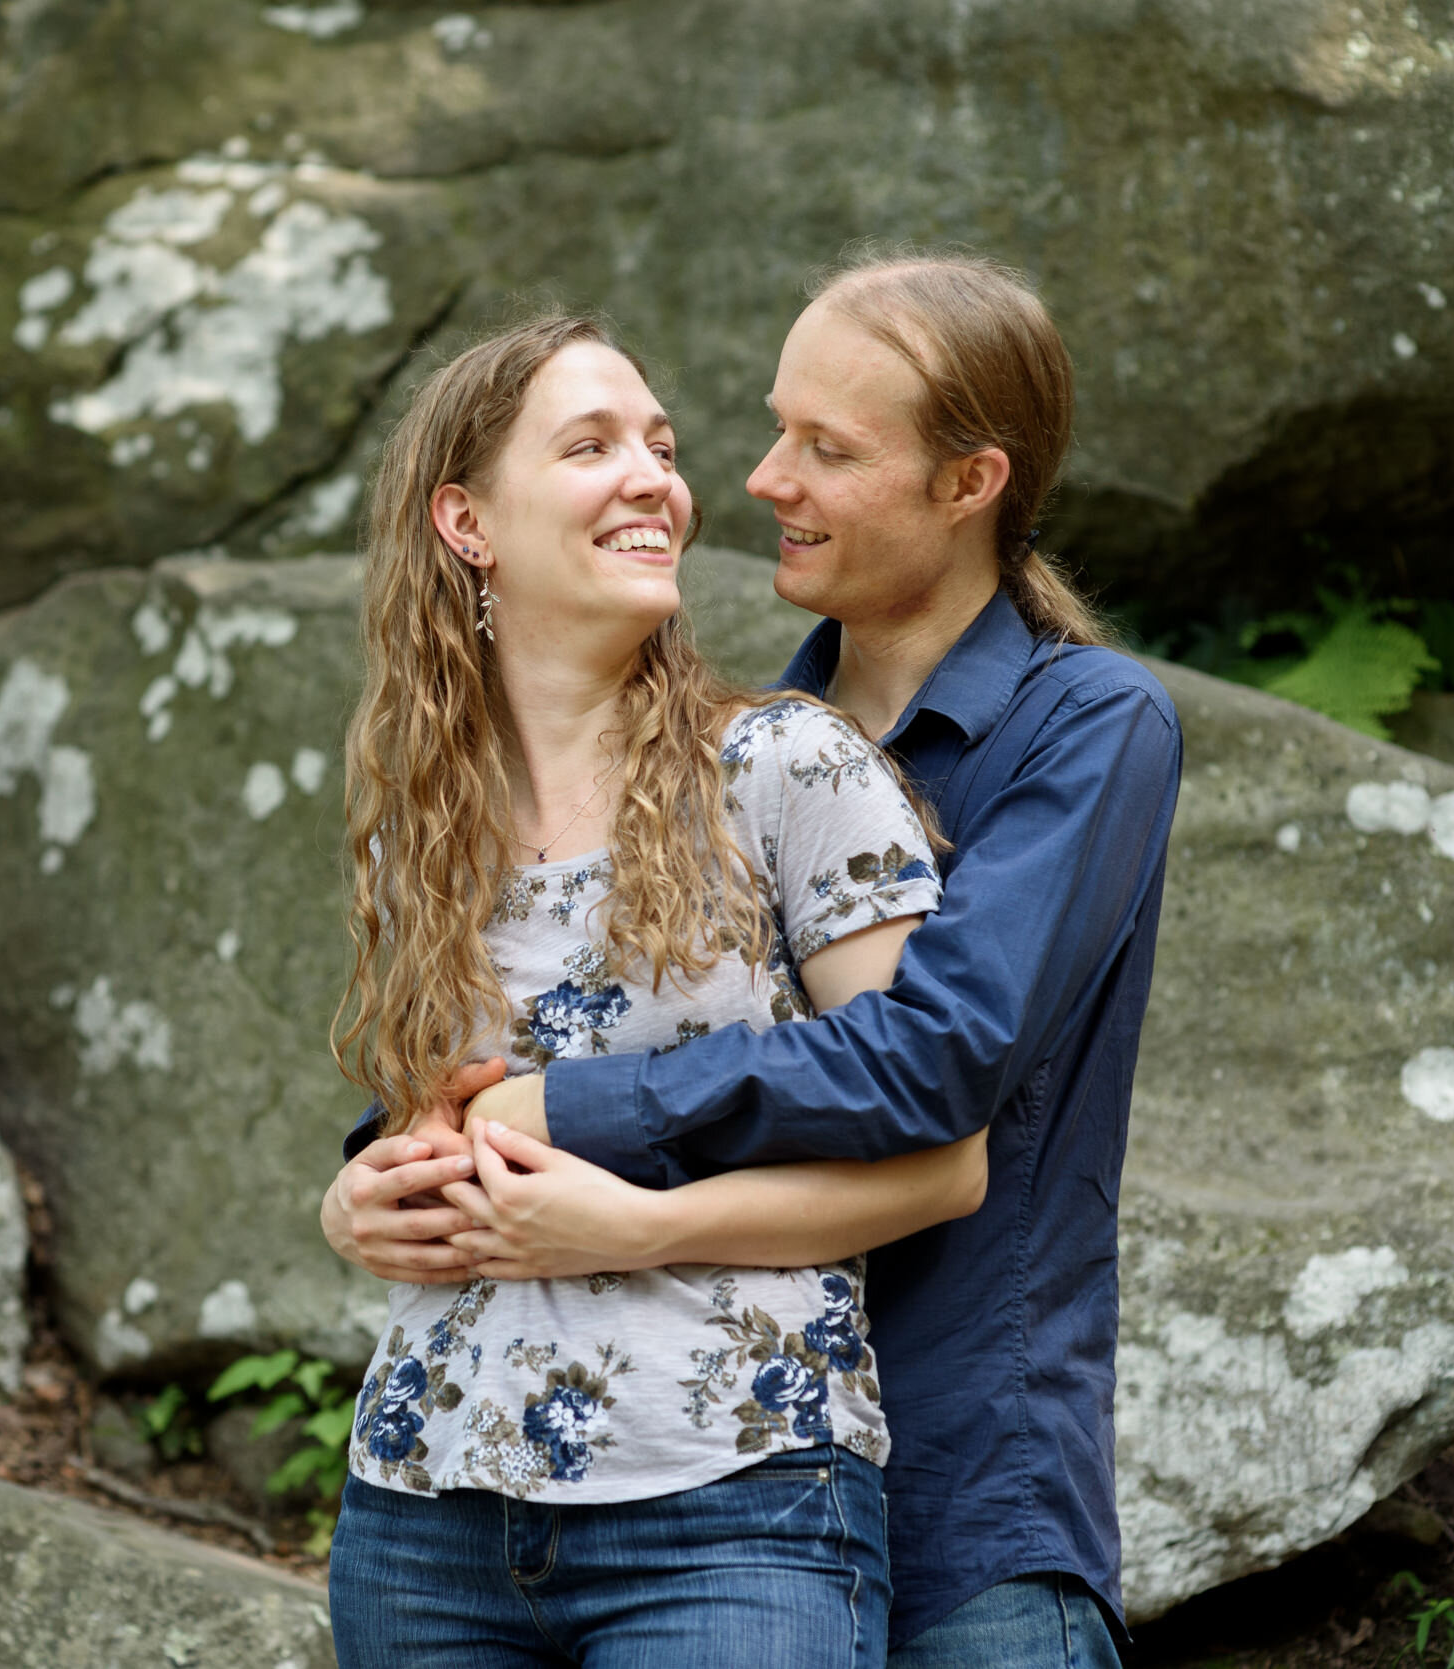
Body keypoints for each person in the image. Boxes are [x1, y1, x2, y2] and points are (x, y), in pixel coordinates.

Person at [325, 252, 1183, 1667]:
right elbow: (530, 1029)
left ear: (967, 483)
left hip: (954, 1469)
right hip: (586, 1454)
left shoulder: (1076, 726)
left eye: (827, 448)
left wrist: (565, 1126)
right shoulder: (722, 740)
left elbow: (930, 1060)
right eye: (775, 426)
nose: (760, 476)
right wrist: (387, 1168)